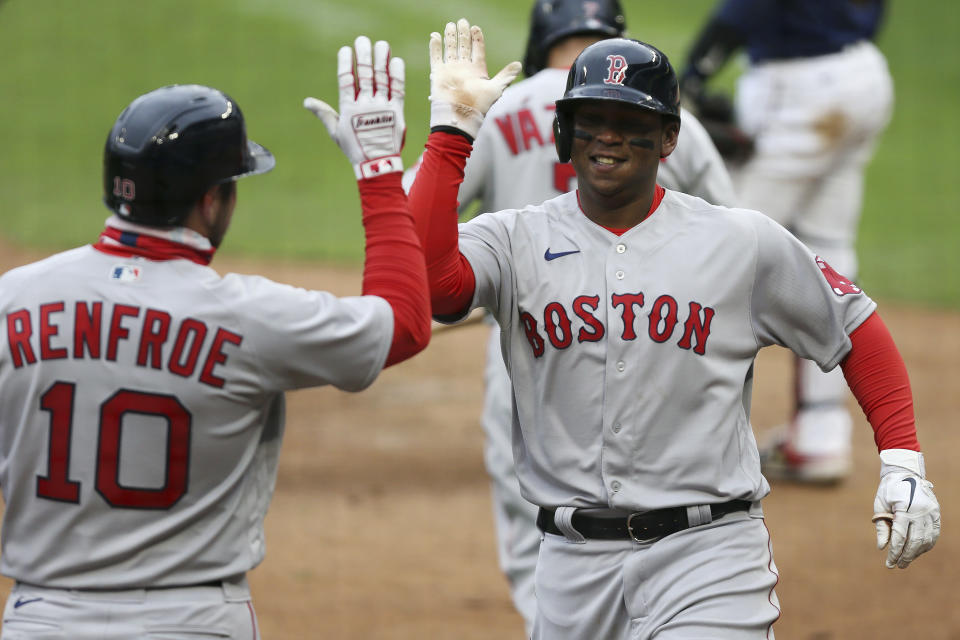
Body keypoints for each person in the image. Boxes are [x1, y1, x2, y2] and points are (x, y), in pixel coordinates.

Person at [409, 20, 940, 639]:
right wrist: (451, 135)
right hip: (570, 573)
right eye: (591, 117)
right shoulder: (513, 238)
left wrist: (903, 460)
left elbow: (853, 326)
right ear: (563, 134)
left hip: (709, 558)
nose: (608, 136)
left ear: (668, 139)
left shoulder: (740, 241)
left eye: (631, 121)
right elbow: (429, 282)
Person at [0, 36, 429, 638]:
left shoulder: (12, 300)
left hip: (39, 619)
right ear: (210, 200)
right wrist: (379, 169)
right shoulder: (251, 317)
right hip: (191, 619)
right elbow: (404, 321)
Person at [404, 2, 735, 632]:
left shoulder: (496, 106)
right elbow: (728, 227)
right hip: (662, 349)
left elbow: (411, 231)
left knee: (547, 556)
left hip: (530, 353)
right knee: (670, 539)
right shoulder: (658, 111)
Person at [679, 0, 895, 483]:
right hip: (863, 75)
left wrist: (693, 74)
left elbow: (741, 12)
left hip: (797, 87)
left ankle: (681, 439)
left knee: (715, 248)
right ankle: (820, 437)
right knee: (827, 246)